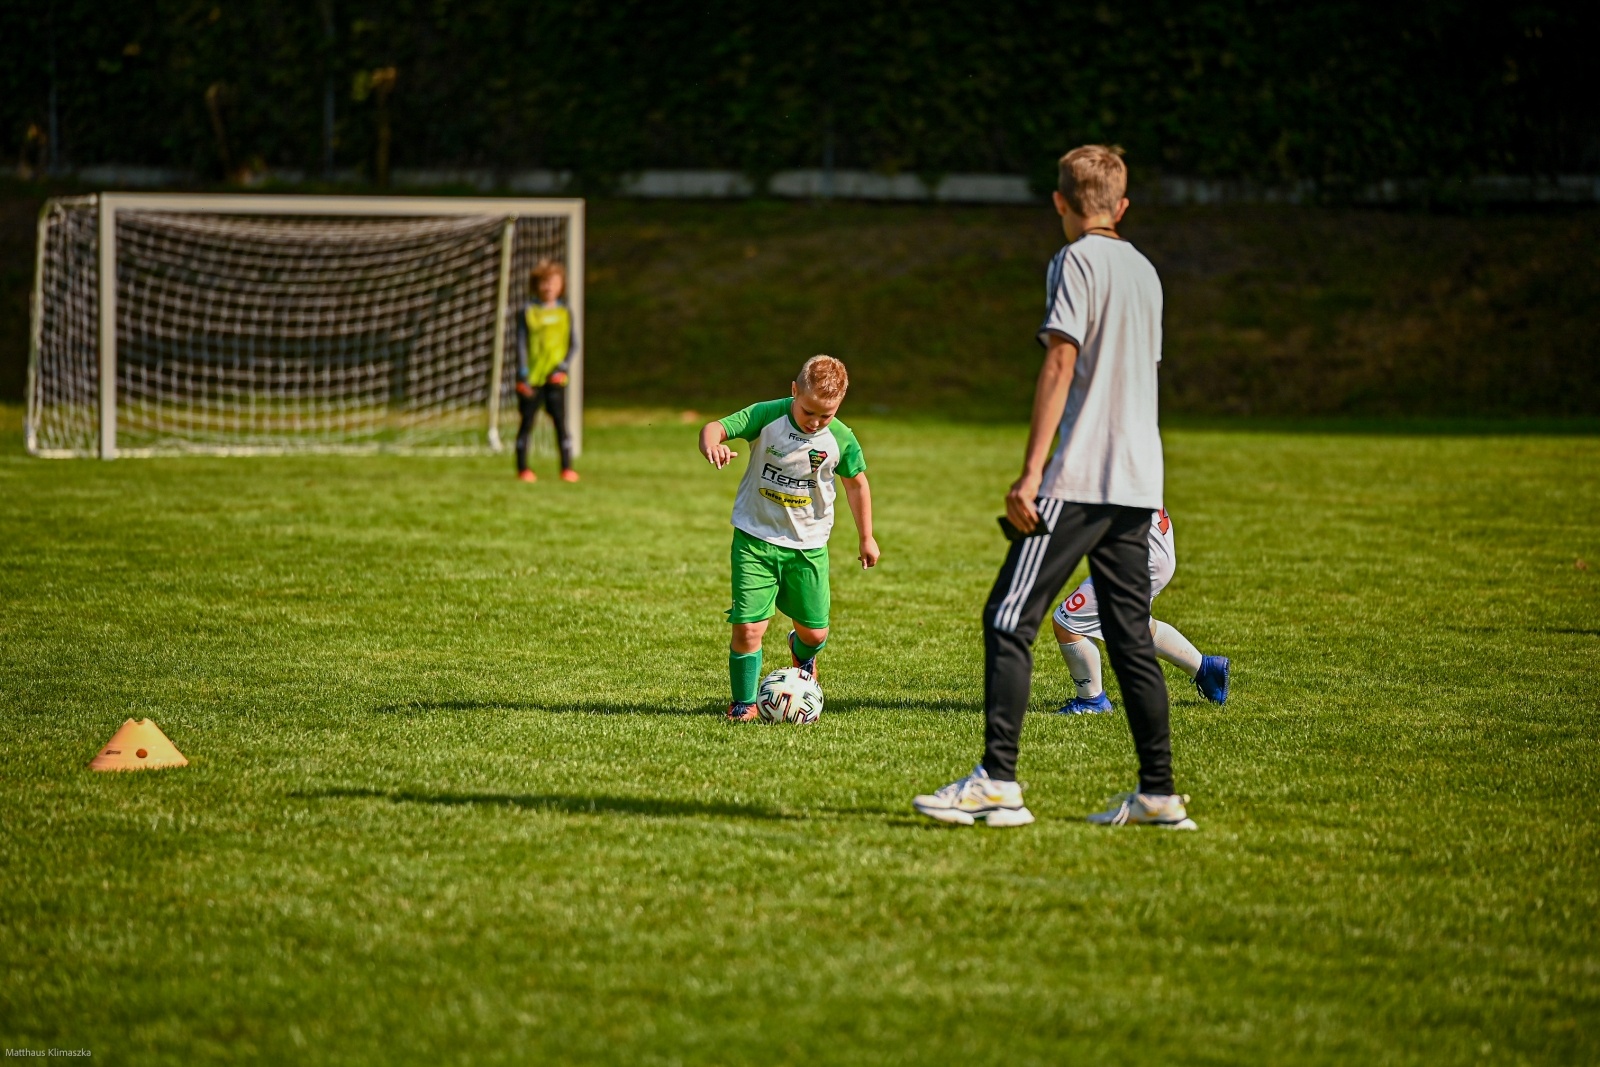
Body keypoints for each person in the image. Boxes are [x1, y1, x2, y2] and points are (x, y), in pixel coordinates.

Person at [912, 145, 1196, 830]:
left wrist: (1033, 470)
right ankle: (1158, 793)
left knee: (1009, 616)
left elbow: (1062, 360)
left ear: (1060, 204)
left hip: (1083, 474)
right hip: (1140, 480)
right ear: (1122, 207)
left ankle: (998, 784)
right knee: (1129, 637)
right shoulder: (1145, 271)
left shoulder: (1073, 261)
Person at [698, 355, 879, 722]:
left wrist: (867, 537)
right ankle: (743, 704)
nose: (814, 422)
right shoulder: (768, 415)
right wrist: (711, 445)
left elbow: (856, 484)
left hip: (809, 545)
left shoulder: (840, 438)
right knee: (748, 628)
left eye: (824, 415)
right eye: (808, 411)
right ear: (794, 391)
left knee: (814, 632)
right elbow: (714, 427)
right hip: (755, 537)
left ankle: (803, 654)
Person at [1053, 506, 1230, 714]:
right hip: (1152, 548)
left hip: (1139, 558)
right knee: (1131, 624)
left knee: (1067, 620)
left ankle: (1091, 702)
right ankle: (1206, 669)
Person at [514, 261, 578, 483]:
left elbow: (574, 344)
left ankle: (567, 468)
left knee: (561, 423)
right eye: (543, 282)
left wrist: (562, 367)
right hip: (531, 378)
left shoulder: (565, 312)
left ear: (561, 285)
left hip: (556, 377)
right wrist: (522, 373)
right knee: (526, 423)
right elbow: (520, 343)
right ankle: (523, 469)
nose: (548, 287)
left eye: (553, 282)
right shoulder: (528, 312)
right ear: (536, 285)